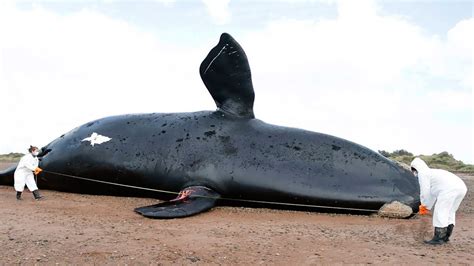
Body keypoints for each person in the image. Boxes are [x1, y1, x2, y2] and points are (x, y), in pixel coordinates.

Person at [410, 157, 467, 245]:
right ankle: (446, 237)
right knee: (450, 211)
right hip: (461, 187)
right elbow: (432, 194)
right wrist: (427, 206)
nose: (414, 174)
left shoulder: (423, 174)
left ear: (415, 169)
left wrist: (424, 206)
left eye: (413, 171)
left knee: (441, 211)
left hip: (449, 189)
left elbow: (425, 192)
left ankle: (438, 238)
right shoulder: (432, 172)